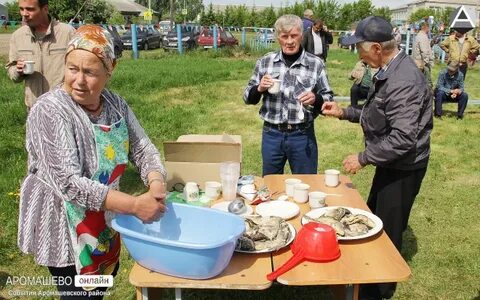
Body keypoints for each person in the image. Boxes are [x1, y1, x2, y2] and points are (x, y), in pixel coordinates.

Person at [18, 25, 167, 298]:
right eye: (72, 68)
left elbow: (143, 148)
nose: (78, 80)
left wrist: (155, 181)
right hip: (64, 223)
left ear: (111, 70)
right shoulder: (49, 110)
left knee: (99, 287)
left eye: (90, 72)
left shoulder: (114, 104)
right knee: (78, 292)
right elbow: (69, 184)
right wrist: (134, 205)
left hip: (103, 218)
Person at [321, 16, 432, 300]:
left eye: (359, 47)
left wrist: (363, 157)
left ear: (376, 49)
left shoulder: (403, 81)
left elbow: (403, 138)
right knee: (376, 220)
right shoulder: (388, 69)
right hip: (392, 162)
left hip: (403, 167)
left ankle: (379, 289)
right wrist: (345, 111)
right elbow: (379, 116)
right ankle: (369, 277)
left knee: (388, 228)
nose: (356, 52)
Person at [243, 14, 334, 176]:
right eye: (284, 36)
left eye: (294, 36)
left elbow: (328, 98)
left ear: (301, 35)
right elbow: (247, 97)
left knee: (306, 185)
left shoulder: (315, 64)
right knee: (271, 184)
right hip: (272, 135)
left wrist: (316, 98)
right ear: (278, 37)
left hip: (302, 135)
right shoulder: (266, 62)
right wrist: (259, 88)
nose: (290, 41)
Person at [5, 0, 75, 110]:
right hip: (34, 108)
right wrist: (18, 71)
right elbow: (12, 72)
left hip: (64, 106)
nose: (24, 14)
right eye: (21, 9)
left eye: (30, 9)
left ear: (45, 9)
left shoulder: (67, 33)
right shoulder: (17, 36)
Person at [412, 21, 434, 88]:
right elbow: (424, 51)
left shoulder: (419, 35)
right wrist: (427, 62)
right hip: (422, 63)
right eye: (428, 28)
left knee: (419, 81)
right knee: (427, 82)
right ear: (426, 27)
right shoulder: (423, 36)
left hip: (418, 62)